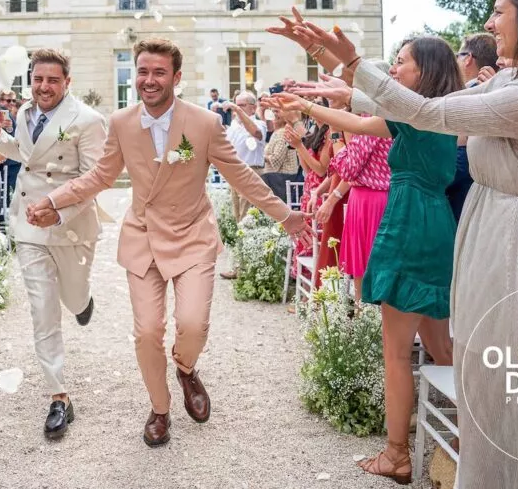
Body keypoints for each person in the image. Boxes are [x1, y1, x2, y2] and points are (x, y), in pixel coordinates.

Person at [277, 0, 518, 488]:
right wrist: (338, 79)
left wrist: (352, 63)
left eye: (499, 12)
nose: (491, 24)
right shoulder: (515, 80)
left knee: (502, 368)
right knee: (473, 359)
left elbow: (425, 114)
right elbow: (424, 110)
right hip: (490, 225)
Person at [28, 38, 309, 447]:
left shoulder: (204, 124)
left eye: (159, 72)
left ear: (176, 78)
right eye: (142, 71)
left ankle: (186, 368)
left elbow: (241, 176)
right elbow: (99, 177)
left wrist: (286, 214)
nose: (149, 80)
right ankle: (160, 410)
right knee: (146, 332)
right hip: (143, 238)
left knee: (192, 325)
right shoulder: (121, 122)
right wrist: (54, 200)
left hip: (193, 235)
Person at [269, 36, 460, 483]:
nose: (394, 69)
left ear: (426, 71)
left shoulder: (414, 112)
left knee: (395, 351)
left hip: (409, 219)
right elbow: (359, 119)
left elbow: (359, 102)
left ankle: (396, 454)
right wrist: (308, 107)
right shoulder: (435, 115)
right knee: (441, 345)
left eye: (402, 62)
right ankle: (472, 430)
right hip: (437, 223)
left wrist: (311, 95)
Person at [0, 49, 107, 440]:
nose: (44, 87)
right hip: (28, 223)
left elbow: (95, 179)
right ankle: (58, 396)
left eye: (52, 80)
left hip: (70, 225)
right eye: (38, 79)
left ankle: (83, 303)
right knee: (42, 309)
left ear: (67, 82)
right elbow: (26, 156)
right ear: (31, 80)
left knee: (72, 298)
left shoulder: (88, 120)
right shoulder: (23, 114)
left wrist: (60, 213)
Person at [327, 127, 392, 303]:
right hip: (363, 196)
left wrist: (335, 136)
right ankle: (361, 315)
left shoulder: (369, 124)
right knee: (360, 264)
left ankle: (366, 316)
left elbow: (348, 169)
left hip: (372, 198)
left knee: (368, 263)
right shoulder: (368, 122)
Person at [447, 34, 498, 221]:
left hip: (467, 187)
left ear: (468, 58)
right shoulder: (493, 89)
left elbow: (462, 157)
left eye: (458, 55)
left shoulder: (474, 93)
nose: (455, 60)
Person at [286, 110, 332, 259]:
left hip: (321, 191)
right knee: (307, 241)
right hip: (310, 189)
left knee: (316, 241)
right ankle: (306, 280)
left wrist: (299, 146)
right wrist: (298, 146)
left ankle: (317, 279)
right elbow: (308, 169)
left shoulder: (330, 136)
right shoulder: (316, 134)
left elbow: (320, 170)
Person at [222, 92, 266, 223]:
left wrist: (237, 111)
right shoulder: (233, 127)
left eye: (242, 105)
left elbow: (256, 133)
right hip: (235, 171)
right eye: (236, 105)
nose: (237, 108)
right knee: (236, 213)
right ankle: (239, 241)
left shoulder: (259, 124)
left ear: (253, 107)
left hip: (252, 170)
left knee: (247, 214)